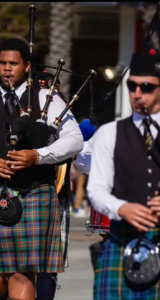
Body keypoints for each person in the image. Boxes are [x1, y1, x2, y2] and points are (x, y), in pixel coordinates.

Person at [0, 38, 83, 300]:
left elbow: (74, 140)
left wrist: (37, 156)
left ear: (26, 66)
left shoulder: (48, 98)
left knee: (22, 274)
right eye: (2, 63)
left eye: (13, 63)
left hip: (34, 195)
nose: (7, 69)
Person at [87, 49, 160, 299]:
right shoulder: (109, 133)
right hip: (121, 239)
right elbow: (95, 190)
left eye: (147, 87)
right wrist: (121, 208)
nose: (138, 94)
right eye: (132, 86)